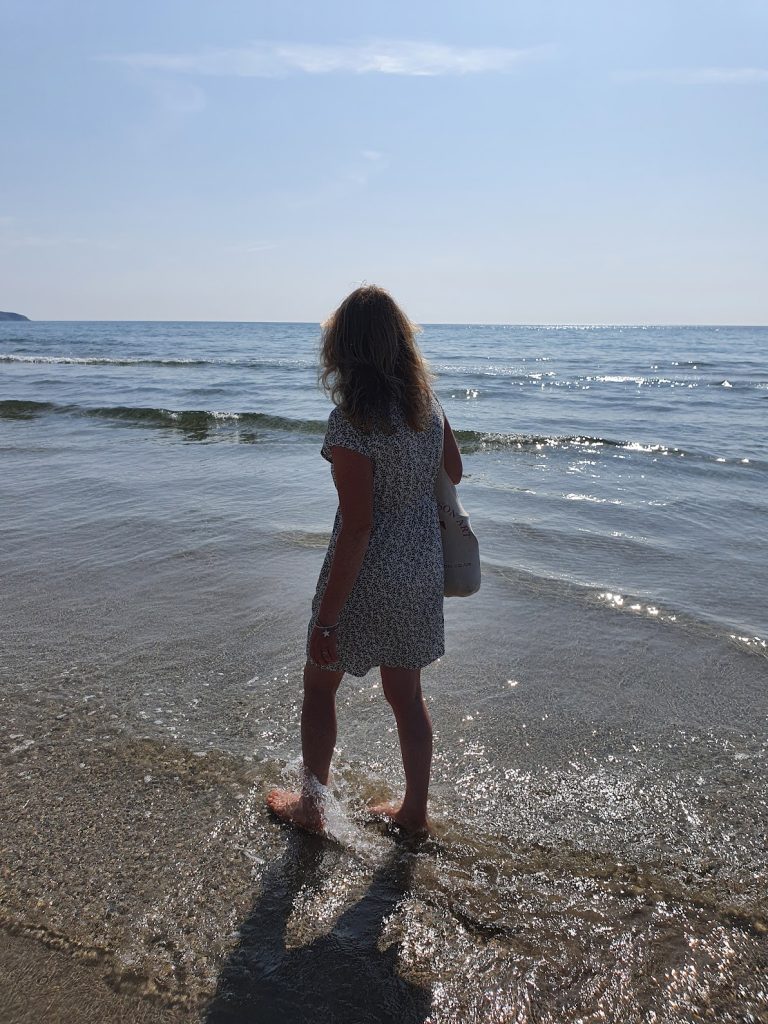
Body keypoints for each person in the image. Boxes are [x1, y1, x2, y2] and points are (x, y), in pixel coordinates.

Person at [266, 285, 463, 835]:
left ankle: (311, 807)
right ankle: (415, 813)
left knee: (320, 683)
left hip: (367, 572)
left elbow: (358, 525)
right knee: (407, 695)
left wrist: (327, 618)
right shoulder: (428, 405)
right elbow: (454, 470)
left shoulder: (352, 423)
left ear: (343, 350)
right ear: (402, 343)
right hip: (420, 565)